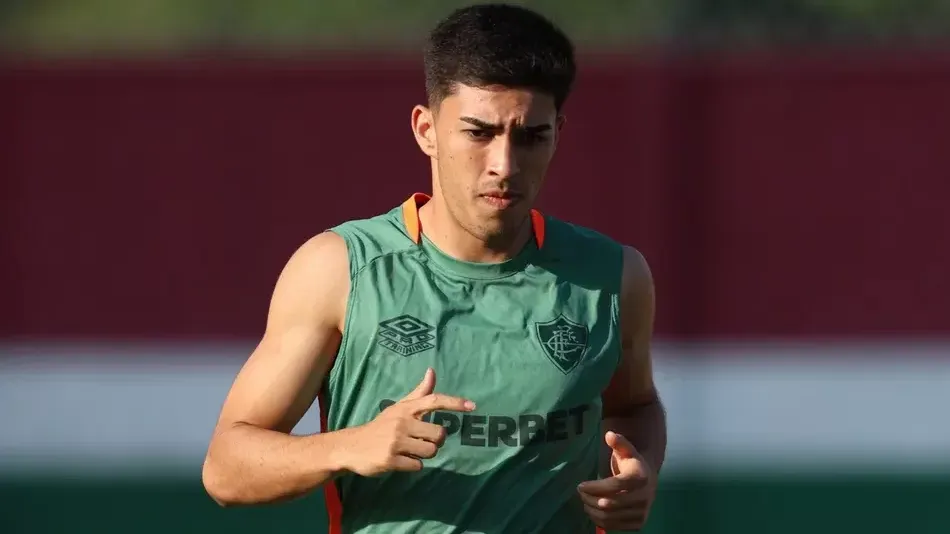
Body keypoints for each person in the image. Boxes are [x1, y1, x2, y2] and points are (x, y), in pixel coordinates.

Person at [201, 3, 667, 533]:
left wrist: (640, 467)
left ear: (557, 133)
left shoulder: (614, 277)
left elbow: (635, 406)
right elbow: (226, 468)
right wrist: (351, 446)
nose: (504, 165)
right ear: (426, 129)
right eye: (478, 132)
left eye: (531, 136)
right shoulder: (339, 271)